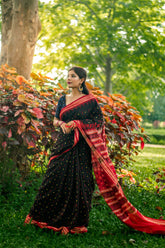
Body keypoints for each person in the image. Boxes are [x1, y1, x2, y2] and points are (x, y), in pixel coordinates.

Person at [25, 66, 165, 235]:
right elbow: (55, 119)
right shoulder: (63, 99)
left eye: (73, 76)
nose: (69, 79)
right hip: (63, 145)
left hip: (81, 147)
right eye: (68, 76)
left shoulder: (90, 101)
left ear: (82, 80)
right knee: (53, 179)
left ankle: (74, 223)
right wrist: (62, 124)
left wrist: (77, 123)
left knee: (80, 183)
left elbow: (98, 122)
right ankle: (44, 218)